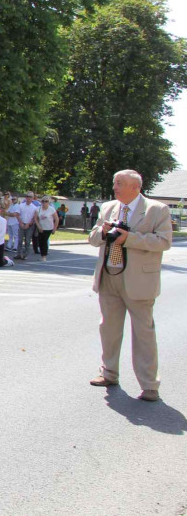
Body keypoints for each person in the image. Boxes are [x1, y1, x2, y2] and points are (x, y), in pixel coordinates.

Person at [87, 170, 172, 403]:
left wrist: (130, 238)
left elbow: (164, 241)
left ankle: (149, 386)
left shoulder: (157, 210)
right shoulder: (108, 208)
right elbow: (93, 238)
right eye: (115, 182)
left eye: (120, 183)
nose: (115, 187)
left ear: (136, 187)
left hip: (139, 282)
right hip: (109, 276)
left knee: (144, 334)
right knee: (109, 329)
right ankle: (109, 373)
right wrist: (102, 232)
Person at [13, 191, 38, 260]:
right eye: (27, 196)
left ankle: (25, 254)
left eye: (30, 197)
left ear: (33, 198)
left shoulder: (34, 207)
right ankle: (18, 254)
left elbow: (34, 218)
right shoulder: (21, 205)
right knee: (20, 240)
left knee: (27, 240)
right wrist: (20, 223)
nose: (28, 198)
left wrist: (29, 224)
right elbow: (17, 214)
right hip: (22, 223)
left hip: (29, 225)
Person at [35, 195, 59, 261]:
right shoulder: (38, 209)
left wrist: (54, 229)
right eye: (43, 201)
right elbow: (36, 218)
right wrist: (39, 226)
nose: (44, 203)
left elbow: (56, 219)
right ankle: (42, 254)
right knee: (40, 241)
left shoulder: (51, 209)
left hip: (48, 228)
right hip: (41, 227)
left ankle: (44, 256)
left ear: (49, 202)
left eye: (46, 201)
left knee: (44, 241)